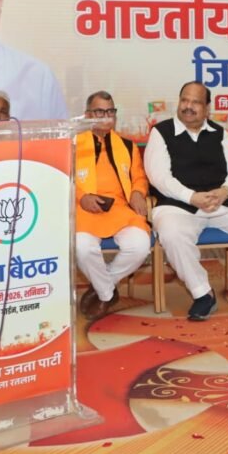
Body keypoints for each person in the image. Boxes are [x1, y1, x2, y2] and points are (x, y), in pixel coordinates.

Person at [144, 82, 228, 321]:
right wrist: (191, 197)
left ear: (207, 108)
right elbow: (159, 177)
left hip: (221, 203)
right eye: (185, 100)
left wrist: (225, 191)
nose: (188, 106)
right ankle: (202, 293)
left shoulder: (219, 133)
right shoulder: (160, 132)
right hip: (180, 205)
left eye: (196, 102)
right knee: (170, 231)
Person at [76, 91, 151, 321]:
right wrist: (82, 197)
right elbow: (63, 179)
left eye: (110, 111)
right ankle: (107, 294)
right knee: (82, 247)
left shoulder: (127, 146)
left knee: (140, 246)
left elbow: (139, 177)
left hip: (120, 210)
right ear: (88, 115)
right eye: (99, 112)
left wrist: (138, 193)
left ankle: (101, 287)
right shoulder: (72, 145)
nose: (106, 116)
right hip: (85, 209)